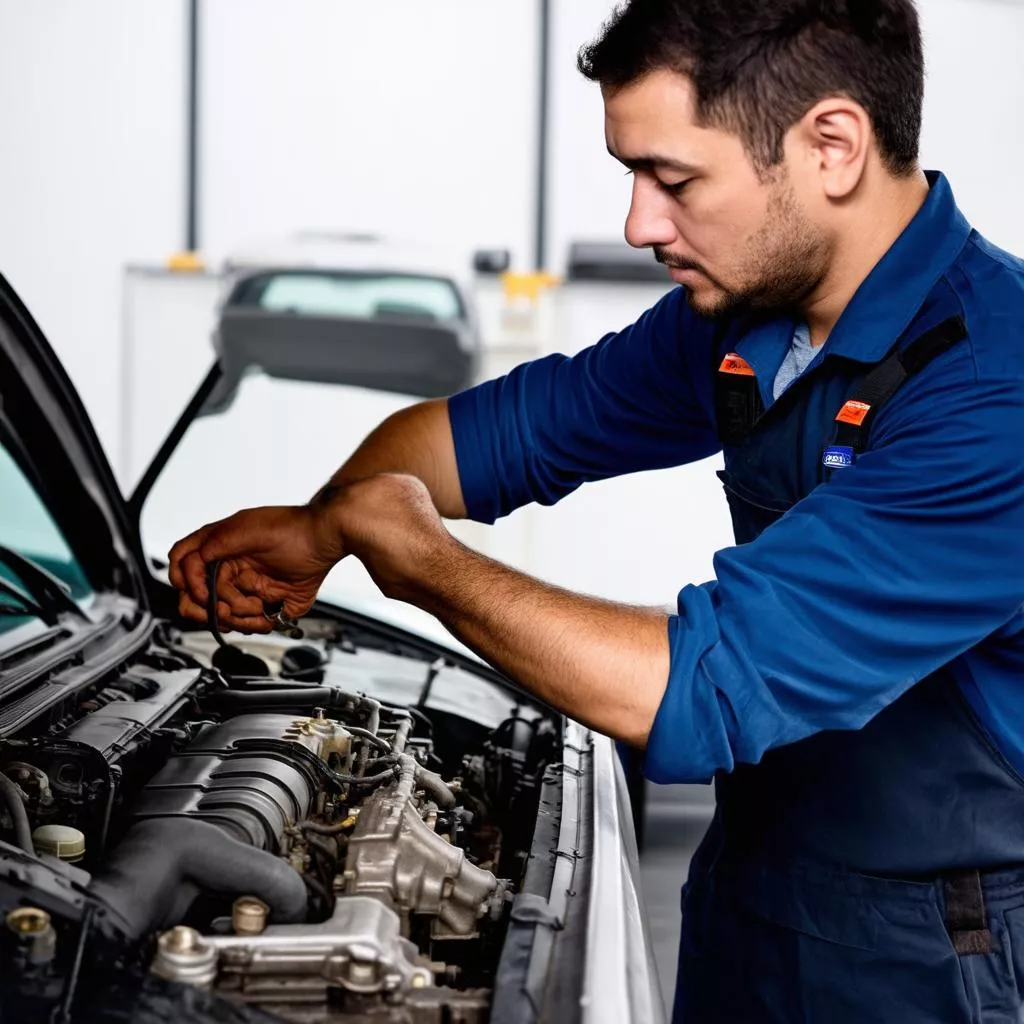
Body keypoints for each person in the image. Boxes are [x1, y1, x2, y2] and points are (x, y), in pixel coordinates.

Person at [168, 1, 1024, 1019]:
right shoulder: (754, 318)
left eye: (674, 180)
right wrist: (323, 525)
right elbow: (499, 434)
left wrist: (420, 559)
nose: (638, 224)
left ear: (832, 146)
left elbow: (698, 685)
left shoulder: (993, 392)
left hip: (934, 944)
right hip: (756, 882)